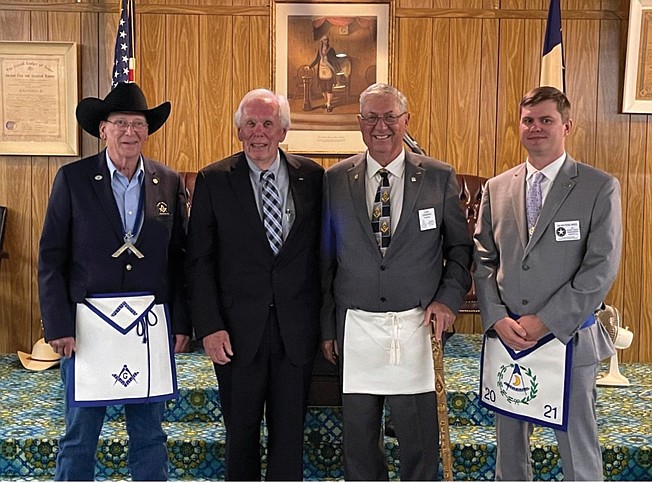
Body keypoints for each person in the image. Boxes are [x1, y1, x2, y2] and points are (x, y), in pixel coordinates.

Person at [38, 82, 192, 480]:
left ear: (147, 130)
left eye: (138, 123)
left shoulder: (168, 181)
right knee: (80, 436)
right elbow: (52, 257)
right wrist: (58, 325)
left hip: (148, 329)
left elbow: (180, 258)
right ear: (103, 129)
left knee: (149, 435)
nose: (130, 132)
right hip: (87, 331)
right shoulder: (72, 179)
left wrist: (181, 322)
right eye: (120, 122)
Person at [320, 83, 473, 480]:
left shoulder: (438, 177)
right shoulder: (336, 179)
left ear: (406, 121)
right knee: (359, 442)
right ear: (359, 123)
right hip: (356, 326)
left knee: (418, 440)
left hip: (416, 326)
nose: (380, 126)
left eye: (390, 116)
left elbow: (460, 251)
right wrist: (327, 326)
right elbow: (325, 262)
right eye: (370, 117)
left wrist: (448, 301)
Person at [473, 86, 621, 481]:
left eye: (546, 120)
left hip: (567, 338)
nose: (536, 128)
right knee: (510, 454)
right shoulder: (497, 187)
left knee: (579, 452)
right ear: (519, 126)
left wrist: (548, 321)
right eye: (528, 120)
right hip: (509, 339)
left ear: (566, 126)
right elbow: (483, 259)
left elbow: (600, 267)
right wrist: (497, 317)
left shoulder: (598, 186)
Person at [185, 89, 323, 481]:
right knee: (240, 434)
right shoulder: (213, 180)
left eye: (267, 124)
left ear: (283, 130)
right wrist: (209, 327)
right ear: (238, 131)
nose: (258, 133)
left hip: (296, 331)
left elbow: (321, 255)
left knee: (289, 435)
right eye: (250, 124)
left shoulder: (311, 177)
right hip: (236, 333)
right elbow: (199, 262)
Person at [309, 34, 340, 112]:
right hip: (321, 71)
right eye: (323, 40)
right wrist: (310, 66)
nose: (325, 41)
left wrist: (329, 61)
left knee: (329, 89)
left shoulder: (331, 50)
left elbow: (335, 60)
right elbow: (316, 60)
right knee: (323, 89)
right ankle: (326, 102)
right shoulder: (319, 50)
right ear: (321, 41)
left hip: (329, 70)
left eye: (326, 39)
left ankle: (329, 104)